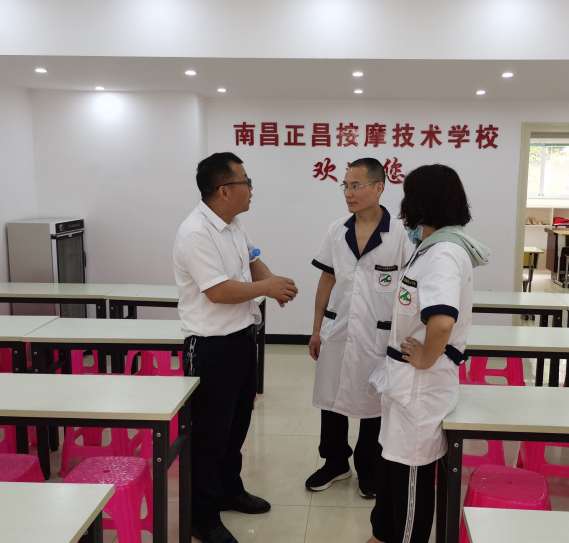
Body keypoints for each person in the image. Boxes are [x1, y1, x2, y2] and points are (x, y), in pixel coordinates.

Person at [173, 152, 298, 543]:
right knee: (210, 435)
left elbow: (253, 260)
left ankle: (230, 490)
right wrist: (266, 287)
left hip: (242, 340)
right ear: (224, 190)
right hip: (211, 349)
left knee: (236, 426)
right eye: (246, 182)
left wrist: (273, 283)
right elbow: (218, 291)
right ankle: (202, 517)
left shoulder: (233, 224)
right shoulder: (196, 233)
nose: (251, 188)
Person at [367, 164, 490, 543]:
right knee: (391, 463)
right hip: (405, 383)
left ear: (422, 202)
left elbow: (441, 321)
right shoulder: (432, 248)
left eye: (408, 198)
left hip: (421, 386)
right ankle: (382, 535)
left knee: (410, 478)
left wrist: (424, 358)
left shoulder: (444, 253)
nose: (403, 208)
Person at [306, 158, 414, 499]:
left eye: (356, 186)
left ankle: (370, 467)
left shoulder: (400, 234)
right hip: (337, 328)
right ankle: (335, 462)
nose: (348, 193)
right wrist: (316, 329)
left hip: (379, 333)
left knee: (374, 401)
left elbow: (411, 289)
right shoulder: (337, 229)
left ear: (379, 188)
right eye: (346, 186)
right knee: (331, 396)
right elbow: (326, 279)